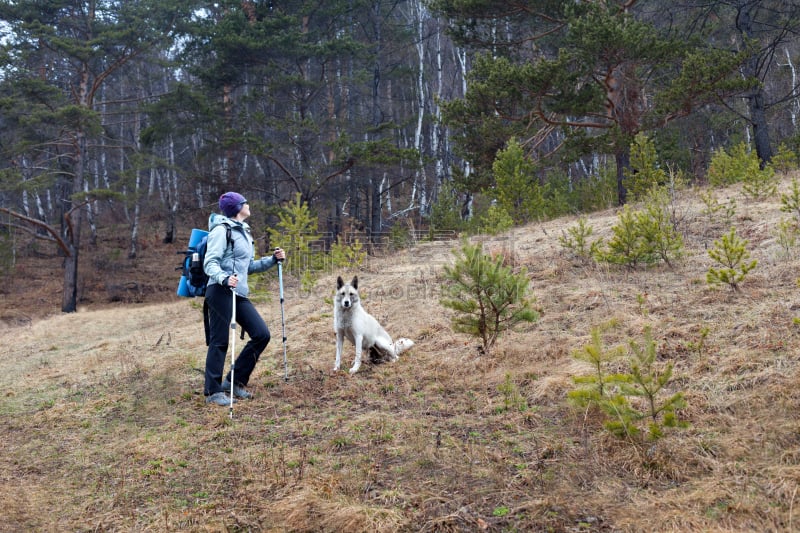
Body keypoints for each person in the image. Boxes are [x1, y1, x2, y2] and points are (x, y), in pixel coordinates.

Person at [202, 191, 286, 406]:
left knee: (261, 334)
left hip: (238, 292)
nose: (248, 205)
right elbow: (209, 263)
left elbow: (248, 267)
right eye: (245, 202)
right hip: (220, 290)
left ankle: (234, 381)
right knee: (219, 341)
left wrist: (272, 260)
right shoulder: (221, 231)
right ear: (238, 207)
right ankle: (212, 392)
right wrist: (223, 278)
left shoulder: (244, 233)